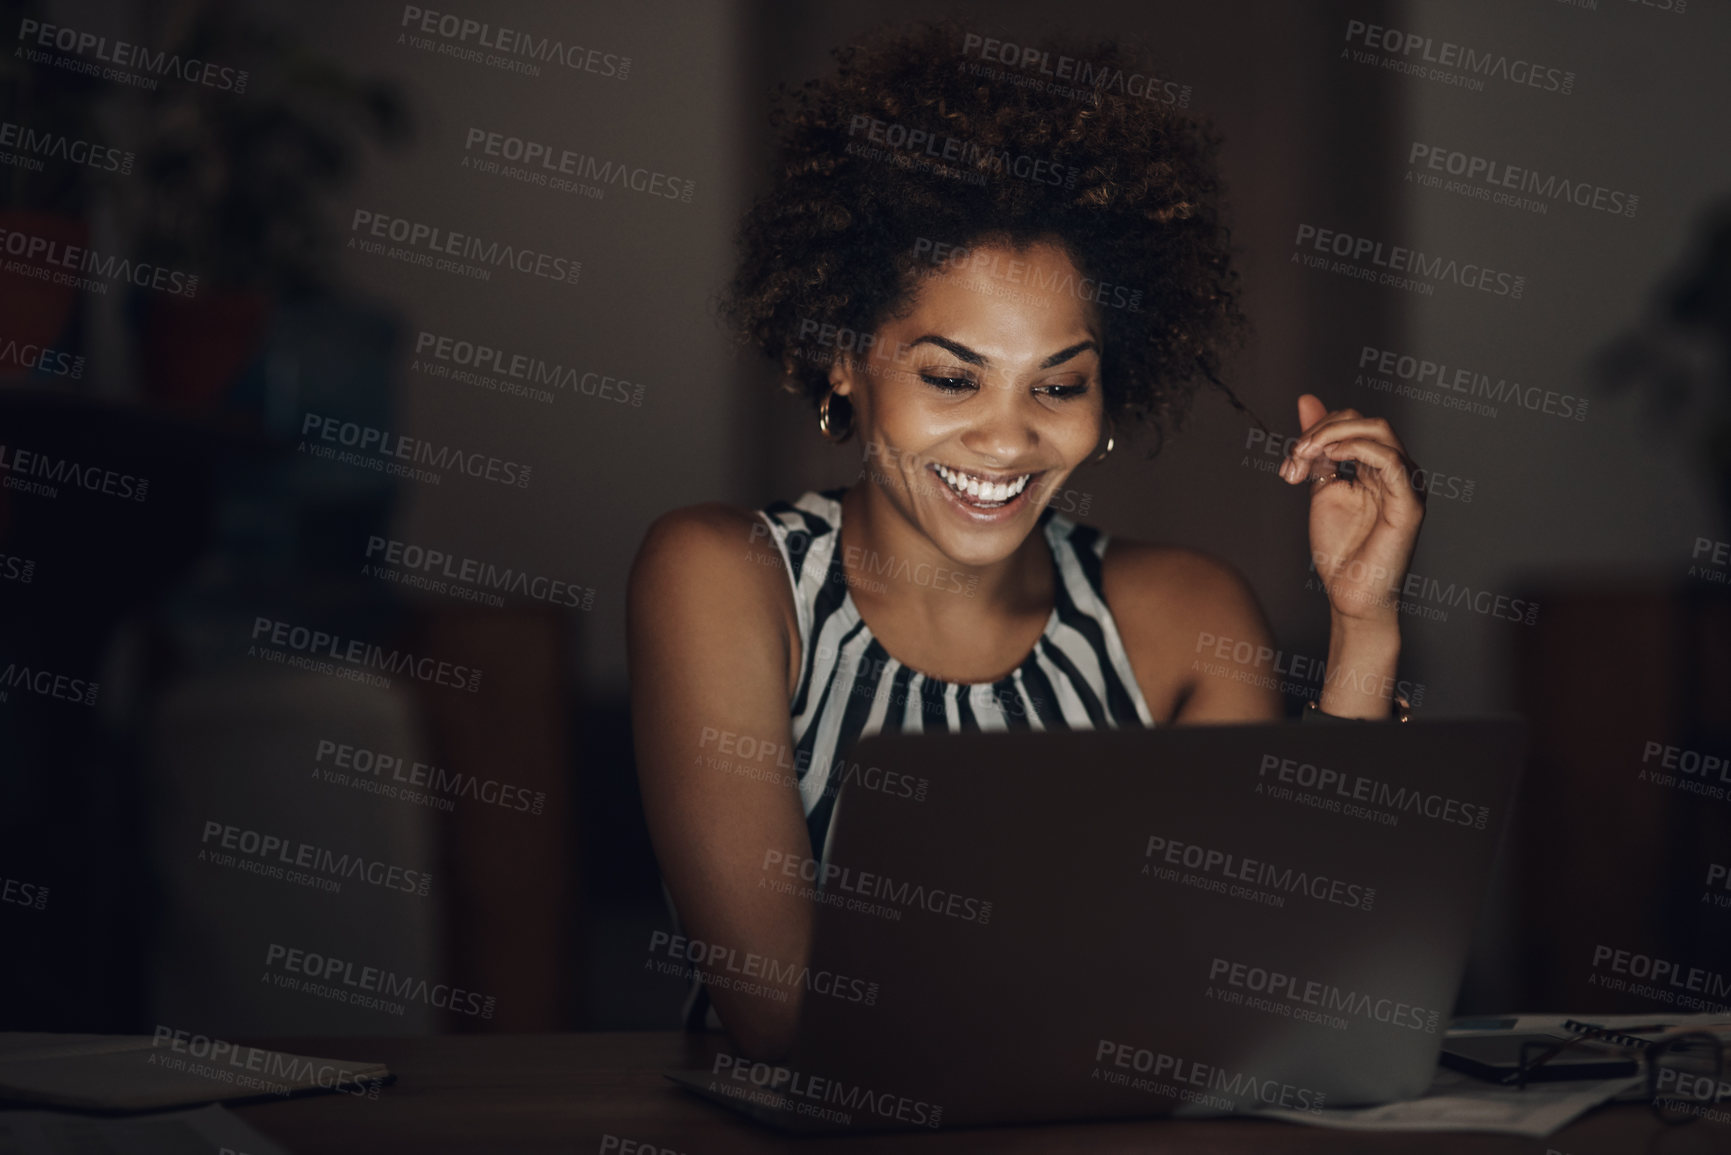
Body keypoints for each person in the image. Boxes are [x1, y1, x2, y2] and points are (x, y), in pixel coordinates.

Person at [626, 21, 1424, 1059]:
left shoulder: (1184, 619)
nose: (1008, 437)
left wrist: (1362, 630)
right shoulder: (722, 580)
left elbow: (1287, 999)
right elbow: (781, 1019)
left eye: (1058, 384)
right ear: (842, 360)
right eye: (951, 377)